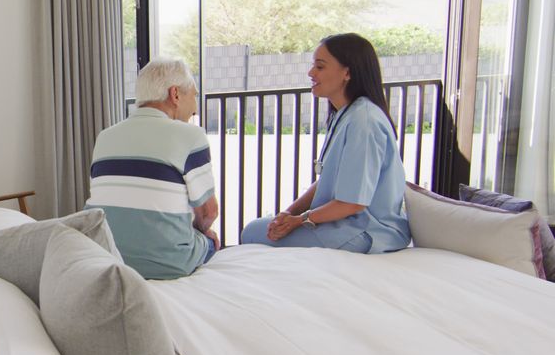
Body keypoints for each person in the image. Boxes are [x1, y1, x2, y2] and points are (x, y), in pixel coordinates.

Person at [240, 32, 411, 252]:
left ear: (347, 72)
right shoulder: (347, 114)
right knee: (261, 228)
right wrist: (288, 214)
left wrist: (301, 220)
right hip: (347, 224)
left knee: (253, 233)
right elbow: (329, 179)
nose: (311, 73)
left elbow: (353, 202)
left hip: (369, 232)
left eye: (320, 67)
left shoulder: (364, 121)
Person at [85, 58, 219, 279]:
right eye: (194, 95)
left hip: (107, 257)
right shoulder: (191, 136)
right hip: (170, 264)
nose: (195, 108)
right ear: (175, 94)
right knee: (211, 241)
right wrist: (201, 232)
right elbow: (208, 212)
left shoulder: (105, 137)